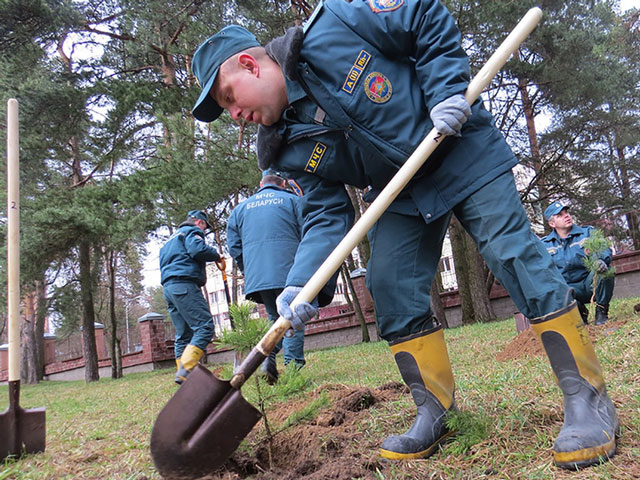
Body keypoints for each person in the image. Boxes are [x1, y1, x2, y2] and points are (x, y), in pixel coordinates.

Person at [190, 1, 617, 469]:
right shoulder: (284, 149)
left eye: (229, 98)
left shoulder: (336, 25)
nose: (233, 115)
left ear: (250, 65)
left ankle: (588, 400)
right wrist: (300, 281)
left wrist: (446, 92)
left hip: (458, 146)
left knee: (511, 252)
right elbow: (325, 216)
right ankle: (436, 411)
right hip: (400, 191)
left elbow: (423, 14)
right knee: (389, 285)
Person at [226, 168, 308, 383]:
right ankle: (293, 372)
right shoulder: (293, 201)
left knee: (276, 319)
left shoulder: (240, 209)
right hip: (290, 270)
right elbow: (309, 232)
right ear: (283, 183)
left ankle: (266, 358)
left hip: (259, 277)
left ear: (262, 184)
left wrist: (249, 270)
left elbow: (234, 246)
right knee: (292, 317)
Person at [159, 210, 221, 384]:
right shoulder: (193, 231)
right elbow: (197, 249)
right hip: (184, 285)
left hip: (169, 289)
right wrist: (216, 255)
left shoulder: (170, 241)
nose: (204, 231)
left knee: (183, 334)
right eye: (205, 227)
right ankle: (186, 369)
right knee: (205, 327)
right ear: (200, 222)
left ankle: (184, 378)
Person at [541, 201, 615, 325]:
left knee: (605, 271)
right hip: (568, 290)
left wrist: (601, 260)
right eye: (560, 215)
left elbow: (602, 247)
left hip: (590, 282)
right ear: (552, 223)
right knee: (555, 288)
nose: (566, 216)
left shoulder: (587, 233)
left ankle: (601, 312)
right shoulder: (544, 245)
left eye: (566, 212)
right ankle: (580, 313)